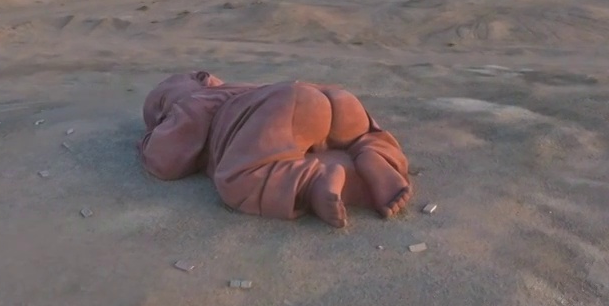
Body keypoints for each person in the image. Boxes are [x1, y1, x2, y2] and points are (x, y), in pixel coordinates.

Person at [138, 71, 412, 228]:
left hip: (290, 107)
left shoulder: (193, 103)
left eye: (161, 105)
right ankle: (369, 153)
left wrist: (148, 141)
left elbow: (165, 161)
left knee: (238, 179)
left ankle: (315, 179)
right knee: (357, 133)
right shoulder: (246, 88)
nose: (162, 115)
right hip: (330, 96)